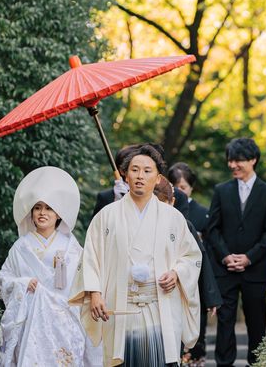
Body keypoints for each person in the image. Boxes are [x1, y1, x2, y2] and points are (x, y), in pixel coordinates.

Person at [69, 143, 202, 366]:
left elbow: (191, 256)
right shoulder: (107, 216)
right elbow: (91, 256)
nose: (140, 176)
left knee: (160, 360)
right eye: (134, 170)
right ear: (125, 175)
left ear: (158, 178)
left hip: (159, 303)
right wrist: (95, 293)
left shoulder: (173, 218)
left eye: (147, 171)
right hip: (120, 304)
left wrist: (177, 273)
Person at [0, 166, 100, 366]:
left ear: (59, 214)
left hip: (65, 322)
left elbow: (86, 283)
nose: (42, 213)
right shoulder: (21, 247)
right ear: (31, 212)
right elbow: (4, 281)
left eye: (49, 208)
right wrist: (24, 283)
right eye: (37, 208)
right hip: (31, 323)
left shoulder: (72, 248)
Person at [207, 138, 266, 367]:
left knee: (257, 323)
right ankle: (223, 364)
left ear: (253, 160)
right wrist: (225, 256)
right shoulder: (221, 190)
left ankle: (257, 363)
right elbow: (213, 229)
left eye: (238, 160)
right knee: (225, 322)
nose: (232, 165)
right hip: (225, 270)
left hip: (256, 271)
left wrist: (249, 258)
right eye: (230, 160)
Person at [155, 178, 222, 367]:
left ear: (172, 202)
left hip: (173, 290)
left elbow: (198, 256)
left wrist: (210, 295)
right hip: (142, 296)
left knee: (172, 344)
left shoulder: (182, 224)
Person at [168, 162, 209, 235]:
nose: (178, 192)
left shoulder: (203, 214)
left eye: (183, 188)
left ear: (191, 187)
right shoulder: (162, 209)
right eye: (174, 187)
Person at [92, 145, 133, 217]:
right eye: (135, 169)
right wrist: (116, 202)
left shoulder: (151, 195)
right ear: (122, 171)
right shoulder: (105, 197)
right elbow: (97, 223)